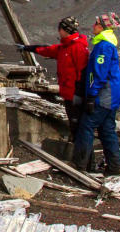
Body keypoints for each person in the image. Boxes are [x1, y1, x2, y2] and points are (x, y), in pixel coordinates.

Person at [17, 16, 90, 145]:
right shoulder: (65, 47)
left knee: (78, 124)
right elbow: (47, 50)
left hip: (75, 93)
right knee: (74, 124)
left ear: (65, 30)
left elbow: (82, 71)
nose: (58, 31)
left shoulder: (77, 48)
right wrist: (27, 48)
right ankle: (79, 154)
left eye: (60, 28)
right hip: (69, 93)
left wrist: (79, 93)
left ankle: (84, 159)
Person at [72, 12, 120, 176]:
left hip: (104, 96)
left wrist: (92, 95)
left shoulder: (103, 46)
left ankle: (80, 165)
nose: (93, 26)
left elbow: (99, 73)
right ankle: (114, 167)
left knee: (86, 126)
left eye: (96, 23)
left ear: (102, 27)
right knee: (107, 130)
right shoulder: (108, 44)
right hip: (113, 96)